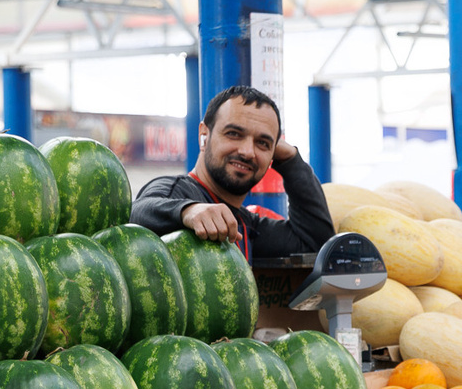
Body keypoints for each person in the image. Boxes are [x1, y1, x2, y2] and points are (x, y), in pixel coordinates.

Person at [131, 86, 334, 260]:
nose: (247, 152)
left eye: (262, 143)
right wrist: (188, 211)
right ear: (204, 134)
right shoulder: (177, 191)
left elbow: (316, 244)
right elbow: (135, 214)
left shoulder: (245, 226)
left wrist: (291, 160)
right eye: (234, 134)